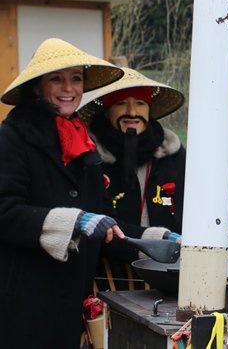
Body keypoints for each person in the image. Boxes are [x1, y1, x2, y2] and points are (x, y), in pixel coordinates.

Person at [0, 38, 125, 347]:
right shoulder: (11, 137)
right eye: (57, 79)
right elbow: (4, 212)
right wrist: (75, 220)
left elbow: (104, 220)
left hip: (73, 301)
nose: (69, 88)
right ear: (37, 87)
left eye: (76, 78)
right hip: (25, 302)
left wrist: (157, 237)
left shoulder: (83, 142)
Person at [79, 67, 186, 290]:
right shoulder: (89, 156)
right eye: (120, 103)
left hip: (170, 270)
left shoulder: (172, 153)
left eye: (140, 103)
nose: (132, 112)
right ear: (107, 110)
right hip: (107, 275)